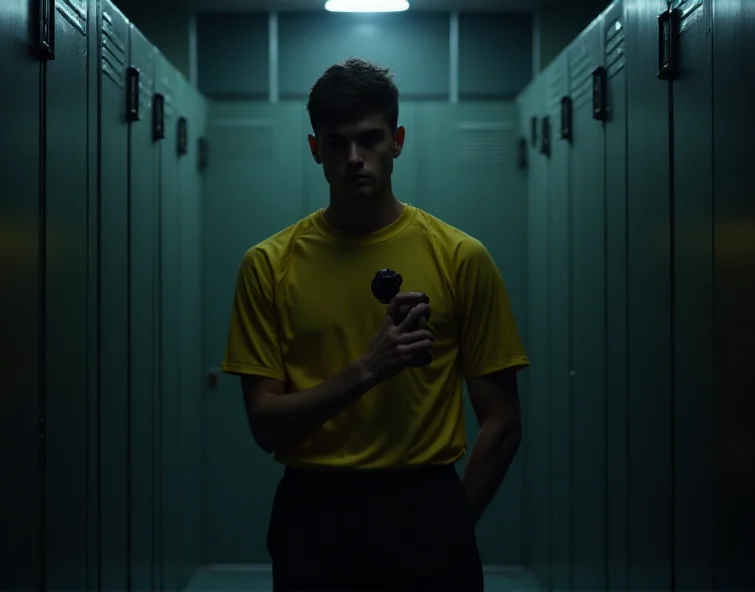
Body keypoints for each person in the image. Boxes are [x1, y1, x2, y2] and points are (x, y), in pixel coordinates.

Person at [221, 58, 529, 592]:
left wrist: (454, 522)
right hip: (315, 511)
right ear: (315, 149)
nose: (355, 159)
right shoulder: (269, 264)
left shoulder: (460, 257)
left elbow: (502, 421)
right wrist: (368, 369)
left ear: (398, 141)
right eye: (337, 143)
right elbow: (265, 424)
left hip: (426, 503)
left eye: (370, 139)